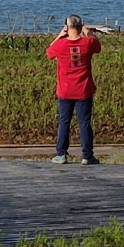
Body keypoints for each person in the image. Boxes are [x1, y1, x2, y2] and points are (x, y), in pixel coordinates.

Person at [46, 14, 102, 165]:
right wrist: (89, 33)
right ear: (80, 26)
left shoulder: (60, 45)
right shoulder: (88, 43)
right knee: (84, 122)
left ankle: (61, 153)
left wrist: (59, 36)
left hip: (65, 90)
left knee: (64, 121)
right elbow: (98, 47)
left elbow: (49, 53)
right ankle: (87, 155)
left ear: (67, 26)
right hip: (83, 89)